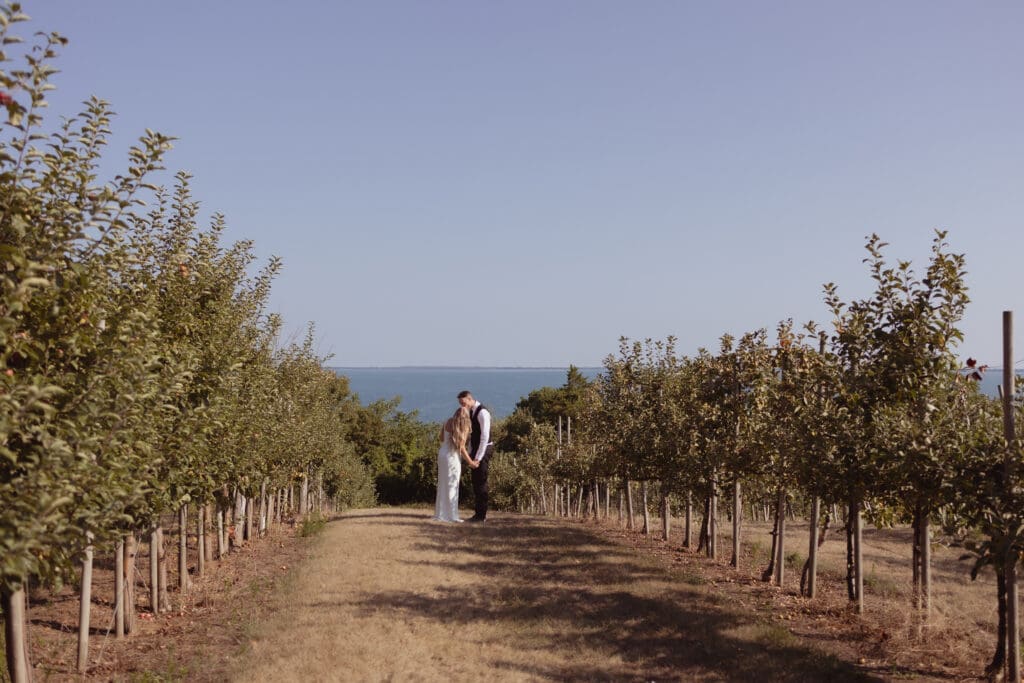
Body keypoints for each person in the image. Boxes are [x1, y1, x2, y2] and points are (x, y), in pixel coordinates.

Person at [433, 406, 474, 523]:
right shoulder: (464, 426)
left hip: (442, 454)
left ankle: (440, 513)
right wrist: (471, 462)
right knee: (452, 484)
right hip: (452, 456)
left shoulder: (447, 421)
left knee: (442, 483)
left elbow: (441, 438)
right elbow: (461, 447)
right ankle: (451, 515)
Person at [458, 390, 492, 522]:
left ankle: (481, 515)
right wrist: (470, 453)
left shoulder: (482, 412)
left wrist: (477, 457)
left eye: (463, 402)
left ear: (469, 399)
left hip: (484, 450)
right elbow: (473, 437)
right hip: (476, 450)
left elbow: (485, 437)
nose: (462, 406)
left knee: (481, 483)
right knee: (476, 483)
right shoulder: (471, 412)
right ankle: (478, 513)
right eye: (460, 403)